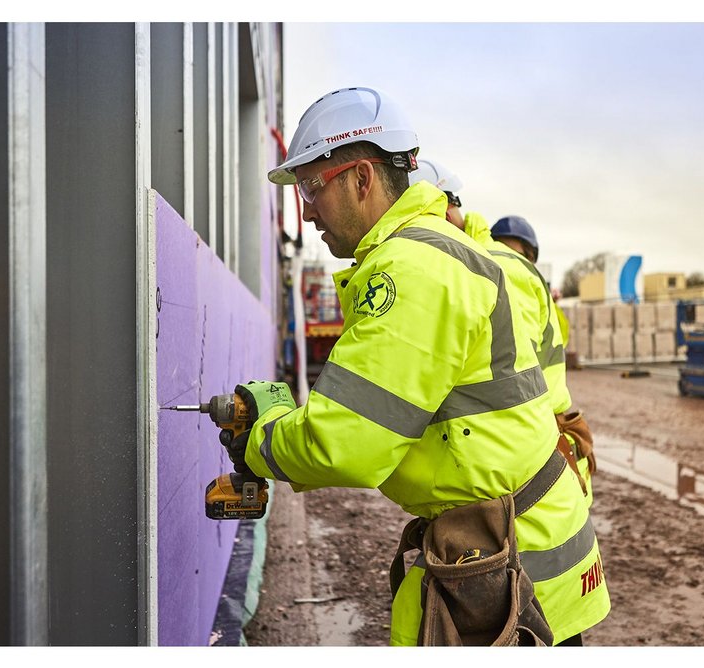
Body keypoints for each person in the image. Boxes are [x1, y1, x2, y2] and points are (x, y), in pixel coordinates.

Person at [228, 86, 607, 646]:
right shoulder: (435, 254)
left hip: (513, 572)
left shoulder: (411, 269)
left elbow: (348, 442)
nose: (306, 213)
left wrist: (259, 442)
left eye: (312, 187)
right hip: (526, 550)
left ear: (361, 178)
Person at [410, 161, 608, 644]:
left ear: (452, 209)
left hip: (529, 484)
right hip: (545, 456)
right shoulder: (495, 265)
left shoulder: (488, 268)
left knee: (542, 618)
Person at [490, 215, 599, 507]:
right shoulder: (529, 279)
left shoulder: (492, 268)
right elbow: (559, 339)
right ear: (531, 253)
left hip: (523, 426)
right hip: (551, 422)